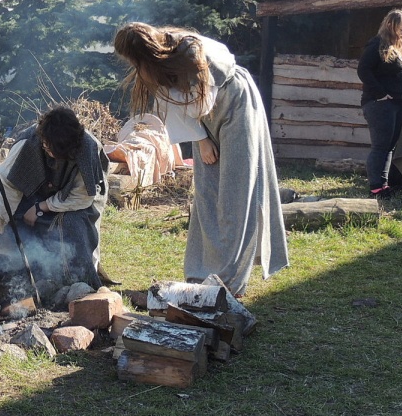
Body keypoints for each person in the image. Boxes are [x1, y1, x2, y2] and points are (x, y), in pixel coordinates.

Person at [113, 22, 289, 296]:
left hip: (234, 102)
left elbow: (204, 96)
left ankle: (229, 280)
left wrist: (202, 134)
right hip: (201, 119)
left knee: (236, 192)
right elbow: (175, 105)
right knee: (206, 194)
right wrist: (201, 139)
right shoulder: (155, 67)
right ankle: (201, 274)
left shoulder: (190, 49)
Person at [0, 106, 109, 294]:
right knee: (11, 228)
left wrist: (42, 208)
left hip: (77, 204)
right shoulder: (28, 144)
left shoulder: (87, 148)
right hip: (36, 194)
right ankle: (35, 278)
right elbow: (6, 183)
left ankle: (78, 284)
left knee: (73, 227)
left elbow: (82, 196)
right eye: (50, 148)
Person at [357, 9, 402, 199]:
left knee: (390, 146)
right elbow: (363, 70)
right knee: (381, 146)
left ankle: (385, 185)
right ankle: (376, 187)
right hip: (379, 104)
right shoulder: (377, 45)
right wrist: (381, 94)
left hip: (400, 103)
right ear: (391, 26)